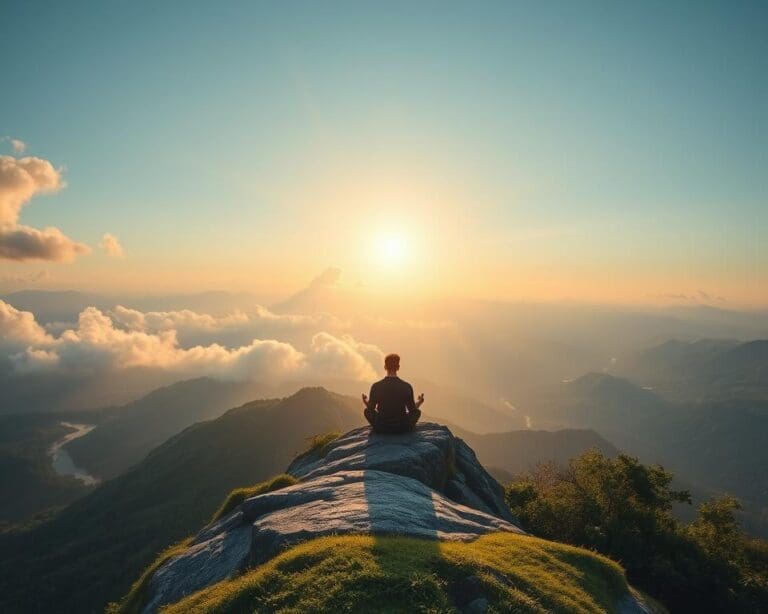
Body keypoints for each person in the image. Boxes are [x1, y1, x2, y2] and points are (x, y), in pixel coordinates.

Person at [362, 353, 424, 434]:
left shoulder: (376, 386)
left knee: (367, 411)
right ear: (398, 367)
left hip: (381, 427)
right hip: (402, 427)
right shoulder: (406, 386)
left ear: (385, 367)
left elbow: (370, 409)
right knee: (417, 412)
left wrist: (365, 401)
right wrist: (419, 402)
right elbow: (412, 410)